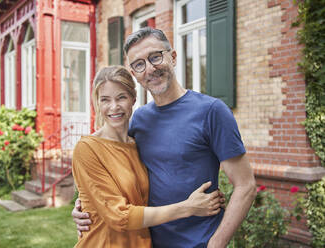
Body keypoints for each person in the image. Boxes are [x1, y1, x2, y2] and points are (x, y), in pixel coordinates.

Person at [72, 27, 257, 248]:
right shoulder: (138, 121)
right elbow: (118, 173)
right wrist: (86, 205)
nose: (150, 68)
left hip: (199, 242)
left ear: (173, 57)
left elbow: (245, 186)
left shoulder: (212, 111)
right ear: (135, 74)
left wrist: (216, 244)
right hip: (149, 242)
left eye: (155, 57)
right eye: (139, 64)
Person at [72, 65, 225, 248]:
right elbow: (119, 216)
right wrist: (189, 207)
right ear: (97, 103)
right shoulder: (88, 149)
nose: (114, 107)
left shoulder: (139, 143)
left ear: (133, 99)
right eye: (105, 100)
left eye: (121, 97)